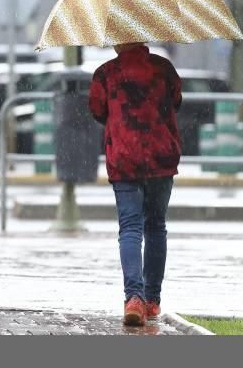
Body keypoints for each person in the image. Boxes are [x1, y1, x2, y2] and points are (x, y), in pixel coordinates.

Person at [88, 42, 182, 326]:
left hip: (125, 158)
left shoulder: (105, 74)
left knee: (130, 227)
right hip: (161, 157)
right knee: (156, 226)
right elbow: (176, 101)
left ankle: (134, 299)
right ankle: (152, 300)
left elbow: (96, 110)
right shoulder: (164, 68)